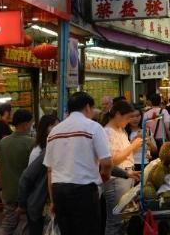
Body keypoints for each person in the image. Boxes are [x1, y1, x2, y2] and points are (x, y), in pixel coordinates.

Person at [44, 92, 112, 235]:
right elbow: (106, 163)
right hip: (84, 191)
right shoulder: (93, 127)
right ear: (87, 107)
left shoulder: (54, 132)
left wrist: (53, 200)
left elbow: (50, 170)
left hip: (59, 191)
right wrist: (103, 178)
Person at [104, 101, 142, 235]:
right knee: (116, 220)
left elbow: (123, 154)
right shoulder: (107, 132)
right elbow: (112, 160)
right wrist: (133, 146)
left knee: (124, 219)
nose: (130, 120)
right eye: (128, 117)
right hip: (116, 180)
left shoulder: (121, 130)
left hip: (126, 176)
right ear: (118, 114)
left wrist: (134, 146)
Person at [0, 109, 34, 235]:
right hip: (26, 193)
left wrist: (2, 189)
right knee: (29, 223)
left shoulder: (3, 142)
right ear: (25, 124)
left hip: (8, 192)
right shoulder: (31, 143)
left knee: (8, 224)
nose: (31, 125)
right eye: (31, 123)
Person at [18, 116, 58, 235]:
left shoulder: (48, 148)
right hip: (38, 204)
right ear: (46, 129)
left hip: (42, 204)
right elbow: (26, 178)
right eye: (54, 126)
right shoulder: (39, 151)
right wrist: (23, 204)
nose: (58, 129)